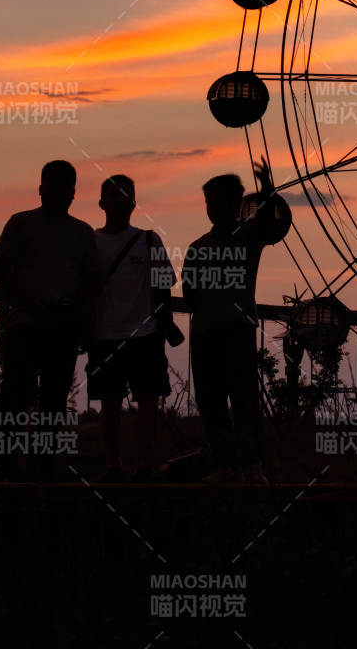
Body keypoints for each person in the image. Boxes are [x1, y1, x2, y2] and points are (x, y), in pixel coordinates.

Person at [0, 160, 99, 478]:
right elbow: (2, 268)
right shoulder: (20, 224)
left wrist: (77, 310)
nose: (57, 191)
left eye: (64, 186)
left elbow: (92, 280)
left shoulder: (82, 233)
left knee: (52, 404)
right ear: (40, 189)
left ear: (73, 193)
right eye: (52, 184)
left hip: (63, 331)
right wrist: (30, 298)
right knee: (13, 400)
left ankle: (42, 468)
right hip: (25, 326)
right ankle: (4, 468)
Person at [85, 175, 177, 482]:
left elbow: (164, 288)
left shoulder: (149, 240)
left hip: (144, 336)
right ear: (102, 203)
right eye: (116, 195)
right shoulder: (91, 244)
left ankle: (143, 465)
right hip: (104, 335)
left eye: (126, 195)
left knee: (146, 401)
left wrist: (161, 326)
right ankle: (115, 465)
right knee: (111, 404)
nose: (121, 200)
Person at [183, 173, 266, 484]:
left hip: (231, 331)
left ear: (234, 205)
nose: (211, 208)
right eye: (208, 203)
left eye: (216, 202)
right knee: (211, 402)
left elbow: (268, 220)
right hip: (209, 332)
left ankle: (251, 465)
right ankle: (229, 465)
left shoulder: (248, 237)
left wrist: (268, 191)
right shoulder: (199, 247)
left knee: (243, 400)